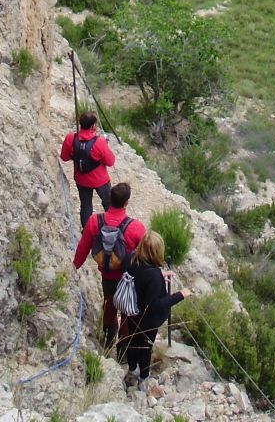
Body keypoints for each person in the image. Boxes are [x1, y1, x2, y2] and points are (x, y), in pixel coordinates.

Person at [73, 182, 146, 355]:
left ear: (109, 199)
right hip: (128, 279)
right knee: (128, 313)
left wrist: (74, 266)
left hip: (107, 275)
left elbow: (83, 247)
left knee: (109, 307)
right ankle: (122, 352)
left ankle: (107, 343)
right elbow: (145, 256)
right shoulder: (136, 227)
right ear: (126, 202)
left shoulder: (94, 221)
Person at [122, 232, 191, 388]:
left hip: (131, 310)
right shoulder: (152, 274)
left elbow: (139, 279)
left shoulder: (131, 259)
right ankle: (144, 379)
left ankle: (133, 370)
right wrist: (180, 295)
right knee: (146, 347)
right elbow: (155, 304)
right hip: (146, 319)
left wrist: (160, 276)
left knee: (133, 341)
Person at [60, 112, 116, 228]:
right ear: (93, 126)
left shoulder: (71, 138)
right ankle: (112, 227)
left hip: (81, 179)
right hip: (100, 180)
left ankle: (86, 231)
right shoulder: (99, 142)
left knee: (85, 206)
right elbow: (110, 162)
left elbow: (64, 157)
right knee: (108, 203)